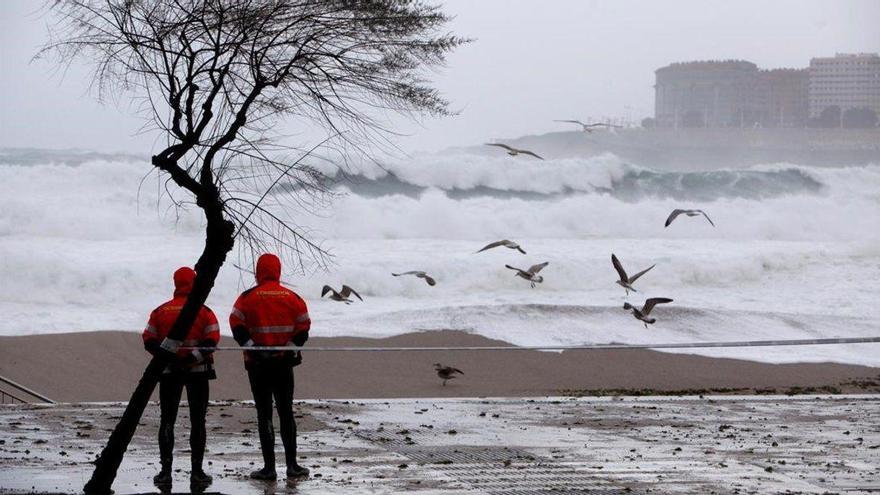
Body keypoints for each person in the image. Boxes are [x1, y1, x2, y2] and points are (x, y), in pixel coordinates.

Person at [230, 253, 311, 480]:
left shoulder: (247, 298)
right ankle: (292, 466)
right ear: (278, 271)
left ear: (258, 271)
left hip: (257, 365)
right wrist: (289, 348)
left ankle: (269, 468)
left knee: (264, 413)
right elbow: (303, 327)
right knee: (286, 412)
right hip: (284, 365)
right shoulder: (292, 297)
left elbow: (236, 323)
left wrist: (252, 347)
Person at [142, 267, 220, 487]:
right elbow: (212, 339)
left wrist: (169, 359)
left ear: (175, 283)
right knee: (198, 422)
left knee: (167, 420)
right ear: (194, 283)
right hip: (198, 373)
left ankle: (165, 472)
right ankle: (197, 472)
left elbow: (148, 339)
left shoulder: (160, 311)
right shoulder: (204, 311)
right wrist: (191, 358)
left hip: (168, 373)